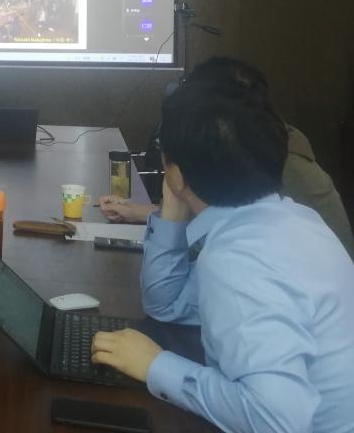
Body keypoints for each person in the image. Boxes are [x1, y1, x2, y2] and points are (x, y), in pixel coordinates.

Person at [91, 82, 354, 432]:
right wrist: (172, 210)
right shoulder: (290, 217)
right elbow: (166, 306)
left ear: (176, 172)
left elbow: (274, 422)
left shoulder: (237, 258)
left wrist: (156, 365)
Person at [98, 56, 354, 260]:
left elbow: (206, 237)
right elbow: (219, 212)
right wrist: (144, 211)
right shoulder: (264, 146)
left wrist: (173, 196)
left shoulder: (270, 165)